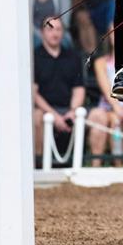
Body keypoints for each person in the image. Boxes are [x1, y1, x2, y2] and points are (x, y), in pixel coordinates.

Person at [31, 17, 85, 166]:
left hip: (68, 110)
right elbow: (34, 94)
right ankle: (39, 165)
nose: (55, 33)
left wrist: (72, 112)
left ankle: (79, 166)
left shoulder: (73, 57)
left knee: (85, 116)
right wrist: (54, 116)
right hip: (44, 111)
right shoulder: (33, 58)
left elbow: (79, 89)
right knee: (36, 116)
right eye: (50, 29)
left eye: (58, 29)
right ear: (42, 32)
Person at [88, 33, 123, 167]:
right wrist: (118, 109)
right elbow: (106, 89)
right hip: (109, 107)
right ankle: (103, 164)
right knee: (111, 119)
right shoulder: (100, 62)